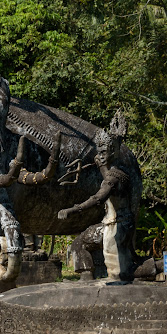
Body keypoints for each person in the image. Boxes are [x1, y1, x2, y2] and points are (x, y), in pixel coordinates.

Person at [58, 114, 134, 284]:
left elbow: (98, 198)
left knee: (81, 245)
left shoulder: (113, 178)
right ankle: (157, 267)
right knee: (125, 268)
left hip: (117, 226)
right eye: (98, 152)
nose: (100, 156)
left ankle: (86, 278)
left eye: (103, 152)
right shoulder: (119, 172)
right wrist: (101, 165)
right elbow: (107, 176)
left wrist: (72, 209)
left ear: (113, 151)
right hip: (122, 223)